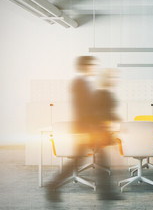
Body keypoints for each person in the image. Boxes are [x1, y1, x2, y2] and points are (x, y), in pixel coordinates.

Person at [45, 56, 98, 202]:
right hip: (83, 129)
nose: (94, 68)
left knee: (78, 160)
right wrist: (87, 129)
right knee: (76, 160)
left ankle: (53, 185)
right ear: (85, 66)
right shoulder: (79, 83)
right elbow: (83, 109)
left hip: (85, 128)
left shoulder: (83, 83)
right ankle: (52, 185)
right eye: (92, 65)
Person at [91, 68, 122, 200]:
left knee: (104, 163)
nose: (114, 80)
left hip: (102, 132)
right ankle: (105, 193)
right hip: (99, 133)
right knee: (103, 163)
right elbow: (101, 113)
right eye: (111, 77)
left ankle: (106, 192)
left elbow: (109, 113)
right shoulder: (101, 94)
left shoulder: (103, 93)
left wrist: (120, 123)